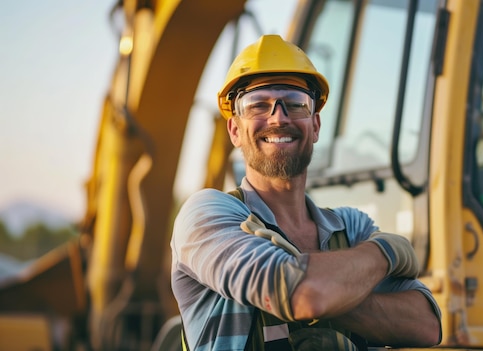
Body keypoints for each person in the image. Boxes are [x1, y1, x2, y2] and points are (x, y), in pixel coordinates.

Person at [170, 34, 442, 351]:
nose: (278, 117)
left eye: (295, 104)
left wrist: (325, 290)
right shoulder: (209, 214)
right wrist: (384, 253)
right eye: (258, 105)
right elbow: (305, 296)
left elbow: (427, 325)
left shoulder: (350, 228)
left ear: (315, 125)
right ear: (234, 130)